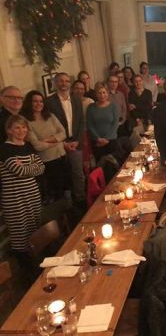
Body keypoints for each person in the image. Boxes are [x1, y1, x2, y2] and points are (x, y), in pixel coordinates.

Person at [0, 115, 44, 274]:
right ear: (9, 130)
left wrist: (27, 167)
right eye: (17, 127)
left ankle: (38, 268)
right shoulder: (5, 148)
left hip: (32, 194)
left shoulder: (27, 146)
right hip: (15, 198)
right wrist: (30, 167)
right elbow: (18, 170)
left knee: (35, 232)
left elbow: (41, 168)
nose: (21, 130)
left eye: (23, 127)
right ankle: (28, 274)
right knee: (21, 234)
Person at [46, 73, 85, 204]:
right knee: (63, 174)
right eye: (61, 81)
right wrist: (62, 143)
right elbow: (49, 126)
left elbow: (81, 122)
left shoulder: (76, 99)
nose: (64, 83)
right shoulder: (49, 102)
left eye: (67, 81)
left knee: (78, 174)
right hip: (59, 144)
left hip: (75, 142)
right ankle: (67, 204)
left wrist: (78, 140)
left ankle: (80, 199)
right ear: (55, 83)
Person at [22, 90, 67, 201]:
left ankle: (68, 213)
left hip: (61, 155)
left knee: (65, 187)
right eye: (35, 101)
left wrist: (46, 140)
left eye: (41, 101)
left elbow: (63, 133)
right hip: (47, 160)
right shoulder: (26, 121)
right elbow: (37, 146)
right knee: (54, 191)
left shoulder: (50, 115)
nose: (39, 104)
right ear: (29, 103)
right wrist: (57, 141)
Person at [86, 82, 123, 162]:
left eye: (104, 92)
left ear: (107, 93)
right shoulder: (91, 107)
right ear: (96, 94)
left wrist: (106, 139)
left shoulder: (113, 106)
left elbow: (115, 124)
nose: (102, 95)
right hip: (97, 142)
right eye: (99, 93)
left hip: (111, 140)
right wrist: (98, 139)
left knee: (113, 165)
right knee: (100, 165)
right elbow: (90, 125)